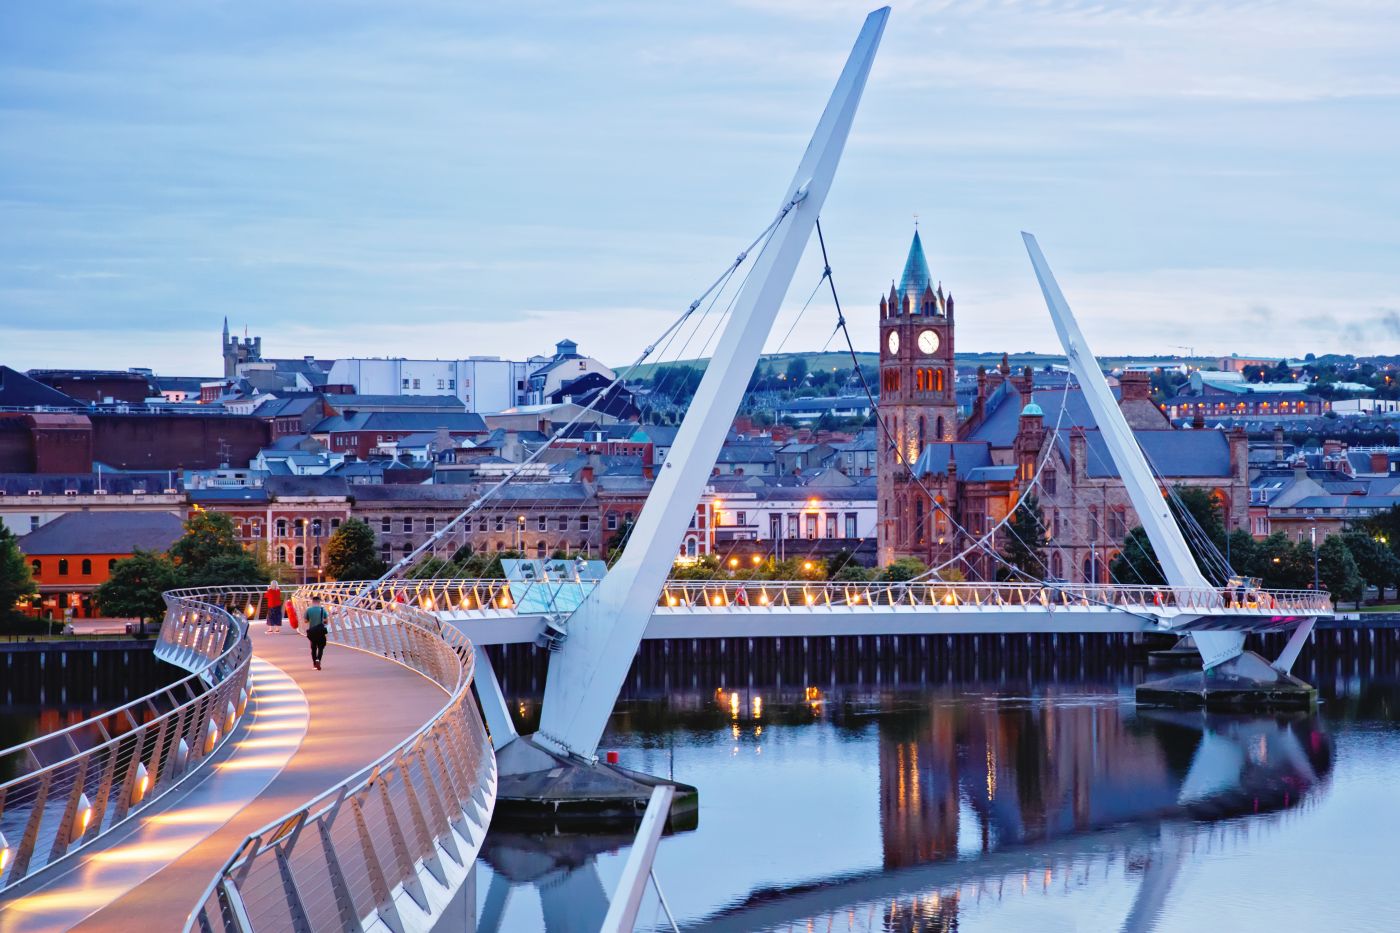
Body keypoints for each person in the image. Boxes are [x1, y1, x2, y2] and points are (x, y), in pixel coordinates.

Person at [304, 595, 330, 670]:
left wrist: (311, 620)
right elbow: (326, 621)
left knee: (313, 648)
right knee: (321, 647)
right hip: (320, 631)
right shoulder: (322, 610)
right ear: (319, 602)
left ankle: (315, 664)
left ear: (312, 602)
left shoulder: (308, 610)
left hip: (312, 631)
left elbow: (305, 621)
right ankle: (318, 660)